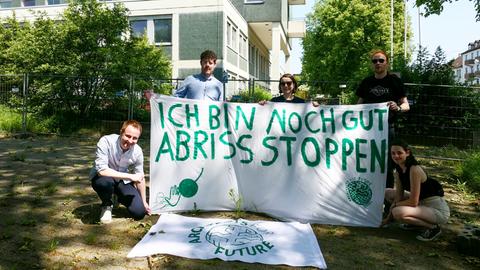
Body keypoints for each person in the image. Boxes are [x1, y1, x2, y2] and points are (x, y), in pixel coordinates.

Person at [356, 49, 410, 188]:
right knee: (367, 161)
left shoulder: (394, 81)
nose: (378, 63)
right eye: (375, 61)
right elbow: (358, 105)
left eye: (381, 60)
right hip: (367, 130)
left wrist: (397, 108)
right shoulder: (366, 82)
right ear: (371, 64)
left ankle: (387, 197)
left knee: (386, 164)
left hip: (387, 129)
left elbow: (406, 105)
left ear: (387, 63)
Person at [382, 139, 450, 241]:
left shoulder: (414, 169)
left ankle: (433, 228)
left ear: (407, 153)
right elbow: (398, 197)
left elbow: (413, 202)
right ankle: (415, 224)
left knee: (398, 212)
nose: (396, 156)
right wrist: (387, 220)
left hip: (436, 209)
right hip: (421, 204)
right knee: (388, 192)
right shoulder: (398, 170)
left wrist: (394, 207)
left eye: (399, 153)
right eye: (393, 153)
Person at [90, 120, 151, 224]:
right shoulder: (106, 141)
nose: (130, 141)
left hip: (122, 181)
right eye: (128, 136)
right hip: (104, 178)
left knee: (139, 213)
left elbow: (140, 177)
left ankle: (118, 197)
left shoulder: (138, 151)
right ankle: (107, 205)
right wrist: (130, 177)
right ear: (121, 132)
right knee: (103, 183)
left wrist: (144, 202)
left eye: (135, 138)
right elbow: (102, 171)